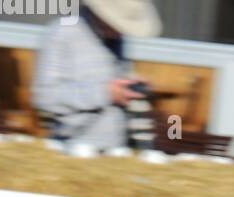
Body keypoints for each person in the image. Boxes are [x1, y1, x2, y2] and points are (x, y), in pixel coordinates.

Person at [32, 0, 161, 149]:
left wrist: (130, 87)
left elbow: (110, 80)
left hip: (116, 152)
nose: (122, 31)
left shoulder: (118, 40)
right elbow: (45, 97)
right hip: (73, 150)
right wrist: (105, 92)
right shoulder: (61, 33)